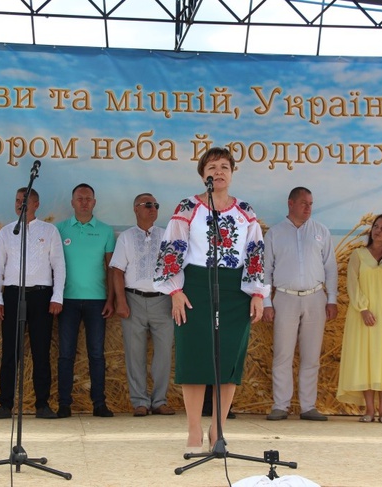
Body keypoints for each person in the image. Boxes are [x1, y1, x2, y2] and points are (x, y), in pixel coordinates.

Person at [153, 147, 268, 453]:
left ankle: (218, 431)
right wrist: (175, 291)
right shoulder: (188, 207)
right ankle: (194, 431)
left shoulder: (245, 211)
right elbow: (172, 248)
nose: (218, 172)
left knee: (228, 361)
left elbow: (255, 252)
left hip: (234, 291)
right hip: (195, 287)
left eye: (224, 167)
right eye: (212, 167)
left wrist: (257, 293)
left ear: (232, 173)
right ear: (202, 173)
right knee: (194, 357)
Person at [0, 187, 66, 420]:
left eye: (24, 201)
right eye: (17, 200)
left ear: (35, 204)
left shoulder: (49, 231)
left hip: (41, 295)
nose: (19, 204)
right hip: (13, 294)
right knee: (10, 351)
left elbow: (58, 265)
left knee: (41, 351)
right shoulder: (6, 232)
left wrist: (57, 296)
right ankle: (5, 404)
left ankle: (42, 404)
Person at [263, 187, 338, 421]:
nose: (308, 208)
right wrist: (266, 302)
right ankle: (280, 405)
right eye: (304, 203)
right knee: (282, 354)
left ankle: (308, 406)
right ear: (291, 203)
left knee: (311, 355)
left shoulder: (321, 232)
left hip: (315, 298)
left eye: (311, 204)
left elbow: (330, 267)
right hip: (284, 298)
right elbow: (265, 270)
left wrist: (332, 299)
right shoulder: (274, 234)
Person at [336, 214, 382, 423]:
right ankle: (369, 410)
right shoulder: (358, 254)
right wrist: (363, 309)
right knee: (366, 358)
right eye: (376, 226)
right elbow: (352, 283)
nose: (378, 230)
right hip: (363, 314)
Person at [110, 193, 175, 417]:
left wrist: (175, 298)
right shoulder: (126, 237)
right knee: (134, 353)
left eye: (156, 205)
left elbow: (175, 269)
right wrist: (121, 301)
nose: (153, 208)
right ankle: (139, 401)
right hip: (133, 300)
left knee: (164, 353)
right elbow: (117, 271)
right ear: (135, 208)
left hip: (163, 300)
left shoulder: (166, 235)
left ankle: (159, 401)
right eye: (148, 205)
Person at [55, 183, 116, 418]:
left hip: (97, 301)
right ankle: (64, 404)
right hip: (66, 301)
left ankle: (99, 404)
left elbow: (111, 268)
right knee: (66, 354)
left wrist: (110, 299)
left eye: (88, 198)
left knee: (97, 354)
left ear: (94, 202)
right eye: (79, 198)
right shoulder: (59, 229)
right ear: (72, 202)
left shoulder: (105, 231)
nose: (84, 202)